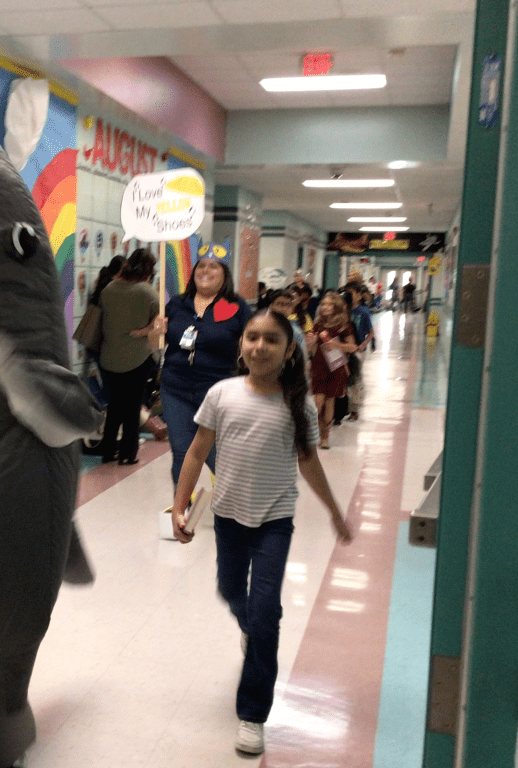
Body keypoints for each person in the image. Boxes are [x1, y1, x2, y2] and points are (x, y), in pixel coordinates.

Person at [170, 310, 353, 756]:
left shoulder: (299, 403)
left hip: (274, 520)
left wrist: (332, 510)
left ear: (289, 350)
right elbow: (196, 453)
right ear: (241, 345)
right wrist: (179, 506)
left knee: (266, 610)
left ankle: (252, 713)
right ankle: (251, 627)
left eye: (271, 340)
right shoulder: (222, 394)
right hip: (229, 517)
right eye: (251, 337)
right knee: (231, 590)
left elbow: (309, 461)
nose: (259, 346)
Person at [149, 256, 253, 486]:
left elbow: (253, 340)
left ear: (224, 274)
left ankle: (239, 505)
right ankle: (181, 514)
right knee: (182, 452)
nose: (205, 270)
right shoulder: (177, 304)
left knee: (216, 454)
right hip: (175, 388)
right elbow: (156, 343)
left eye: (213, 266)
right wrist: (156, 330)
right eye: (201, 266)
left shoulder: (237, 307)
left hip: (216, 391)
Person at [98, 248, 158, 464]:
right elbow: (158, 323)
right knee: (132, 407)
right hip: (137, 357)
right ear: (148, 269)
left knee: (114, 405)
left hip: (109, 356)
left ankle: (107, 451)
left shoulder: (108, 289)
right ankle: (127, 454)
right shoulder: (148, 293)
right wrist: (142, 331)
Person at [307, 292, 357, 448]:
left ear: (336, 306)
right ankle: (317, 431)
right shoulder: (318, 324)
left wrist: (337, 345)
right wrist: (311, 342)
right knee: (317, 402)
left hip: (336, 367)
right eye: (323, 304)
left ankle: (325, 437)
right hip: (319, 365)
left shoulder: (344, 325)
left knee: (330, 401)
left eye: (329, 304)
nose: (326, 307)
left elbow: (353, 347)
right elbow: (311, 350)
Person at [344, 283, 373, 422]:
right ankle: (344, 407)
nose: (350, 296)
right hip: (344, 348)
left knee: (355, 379)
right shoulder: (344, 310)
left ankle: (354, 409)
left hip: (358, 351)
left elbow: (371, 333)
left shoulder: (363, 312)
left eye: (353, 293)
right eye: (347, 293)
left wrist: (363, 345)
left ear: (360, 295)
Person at [266, 289, 307, 354]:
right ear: (271, 306)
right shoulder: (262, 327)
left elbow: (302, 359)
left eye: (288, 305)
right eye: (280, 304)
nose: (284, 309)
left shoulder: (296, 333)